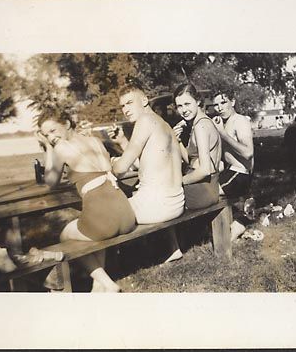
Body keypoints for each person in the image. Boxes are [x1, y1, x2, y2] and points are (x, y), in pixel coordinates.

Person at [36, 108, 136, 292]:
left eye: (53, 131)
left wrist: (48, 148)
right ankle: (98, 284)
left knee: (65, 236)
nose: (51, 137)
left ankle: (107, 284)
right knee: (92, 226)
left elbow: (50, 182)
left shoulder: (61, 147)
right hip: (127, 215)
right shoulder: (95, 141)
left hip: (106, 221)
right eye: (45, 135)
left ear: (66, 124)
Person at [110, 80, 185, 262]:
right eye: (122, 106)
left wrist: (111, 164)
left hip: (157, 207)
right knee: (138, 190)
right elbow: (142, 164)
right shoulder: (163, 124)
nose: (125, 109)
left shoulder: (144, 120)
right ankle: (173, 248)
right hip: (177, 203)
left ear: (144, 100)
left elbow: (120, 170)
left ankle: (109, 264)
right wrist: (122, 142)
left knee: (104, 211)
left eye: (129, 103)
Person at [172, 83, 222, 210]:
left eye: (187, 104)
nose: (184, 110)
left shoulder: (201, 126)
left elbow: (205, 170)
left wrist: (178, 182)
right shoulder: (200, 123)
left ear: (198, 101)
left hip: (202, 191)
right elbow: (191, 160)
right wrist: (178, 141)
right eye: (180, 106)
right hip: (207, 189)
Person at [212, 89, 254, 198]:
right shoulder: (222, 122)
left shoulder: (240, 121)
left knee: (204, 194)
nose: (220, 108)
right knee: (200, 188)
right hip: (228, 171)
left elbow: (248, 153)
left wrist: (223, 134)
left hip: (240, 174)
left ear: (233, 102)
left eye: (223, 102)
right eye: (216, 105)